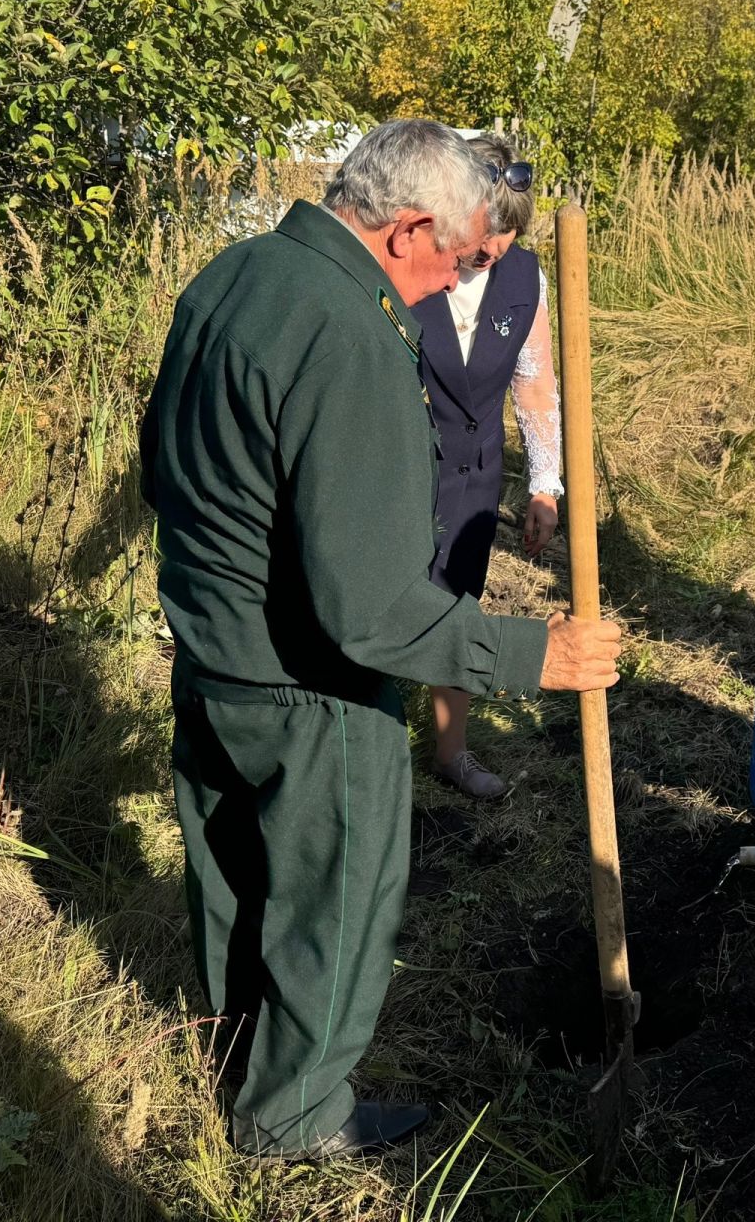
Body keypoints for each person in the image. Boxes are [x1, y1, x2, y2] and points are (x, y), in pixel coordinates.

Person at [139, 120, 622, 1160]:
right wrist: (536, 656)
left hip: (212, 657)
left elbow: (163, 470)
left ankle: (239, 1065)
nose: (451, 286)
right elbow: (369, 611)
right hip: (313, 688)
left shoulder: (236, 276)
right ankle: (294, 1119)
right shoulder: (347, 333)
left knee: (239, 877)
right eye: (453, 261)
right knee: (337, 902)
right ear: (406, 230)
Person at [413, 135, 563, 801]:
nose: (492, 250)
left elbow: (534, 385)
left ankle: (450, 751)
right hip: (407, 466)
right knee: (385, 603)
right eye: (486, 232)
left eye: (507, 235)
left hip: (475, 476)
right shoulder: (413, 268)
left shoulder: (525, 278)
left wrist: (543, 484)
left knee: (458, 606)